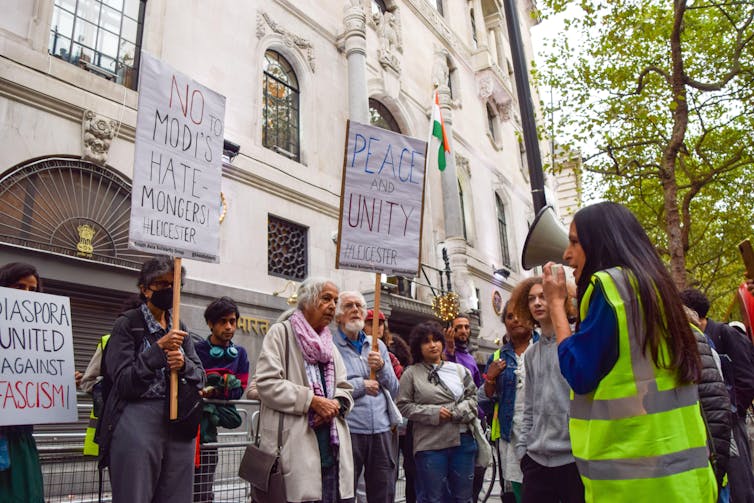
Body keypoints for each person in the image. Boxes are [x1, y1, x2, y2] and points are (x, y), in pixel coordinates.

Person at [543, 201, 717, 502]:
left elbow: (578, 372)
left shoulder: (608, 287)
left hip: (633, 483)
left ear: (601, 242)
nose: (566, 255)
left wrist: (557, 305)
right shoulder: (655, 288)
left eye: (574, 242)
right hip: (687, 481)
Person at [96, 256, 206, 502]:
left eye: (173, 285)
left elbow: (200, 376)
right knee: (135, 492)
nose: (168, 291)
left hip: (178, 420)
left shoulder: (181, 327)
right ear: (145, 289)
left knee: (177, 494)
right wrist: (157, 350)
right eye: (161, 284)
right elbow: (123, 381)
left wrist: (184, 364)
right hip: (136, 418)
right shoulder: (127, 325)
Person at [255, 277, 355, 503]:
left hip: (331, 454)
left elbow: (345, 388)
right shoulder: (281, 333)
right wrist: (313, 402)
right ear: (307, 301)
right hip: (295, 452)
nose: (332, 306)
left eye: (335, 300)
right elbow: (266, 383)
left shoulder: (329, 345)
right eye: (326, 298)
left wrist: (334, 405)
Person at [512, 277, 583, 503]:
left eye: (543, 296)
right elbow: (529, 406)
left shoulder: (577, 342)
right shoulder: (531, 354)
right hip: (536, 461)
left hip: (575, 460)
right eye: (532, 299)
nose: (537, 303)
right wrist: (523, 452)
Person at [680, 288, 754, 502]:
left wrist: (734, 411)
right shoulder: (704, 336)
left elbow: (747, 378)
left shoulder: (725, 333)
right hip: (719, 420)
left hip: (730, 419)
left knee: (740, 482)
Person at [397, 321, 478, 503]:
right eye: (426, 341)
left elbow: (473, 397)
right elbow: (403, 405)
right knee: (432, 498)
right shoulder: (411, 373)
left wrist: (457, 412)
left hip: (462, 441)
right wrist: (433, 413)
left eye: (436, 340)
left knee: (463, 498)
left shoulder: (458, 370)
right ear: (418, 346)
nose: (433, 345)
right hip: (429, 445)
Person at [333, 292, 399, 503]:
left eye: (359, 306)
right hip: (349, 430)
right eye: (349, 306)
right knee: (345, 493)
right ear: (338, 316)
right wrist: (361, 386)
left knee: (383, 491)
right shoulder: (330, 346)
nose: (355, 310)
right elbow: (329, 390)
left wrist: (380, 367)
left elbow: (394, 388)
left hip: (381, 429)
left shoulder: (377, 346)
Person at [480, 301, 538, 503]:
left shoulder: (547, 346)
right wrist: (491, 377)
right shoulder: (497, 357)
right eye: (510, 317)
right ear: (504, 322)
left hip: (544, 431)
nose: (516, 320)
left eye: (521, 314)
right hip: (511, 434)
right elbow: (485, 400)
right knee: (519, 488)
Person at [193, 297, 249, 502]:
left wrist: (216, 391)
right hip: (191, 427)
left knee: (204, 485)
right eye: (223, 321)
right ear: (210, 323)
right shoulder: (197, 350)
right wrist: (219, 387)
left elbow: (239, 391)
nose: (229, 327)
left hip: (211, 433)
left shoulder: (240, 355)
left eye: (232, 321)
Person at [0, 262, 45, 503]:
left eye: (32, 289)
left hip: (20, 436)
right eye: (19, 286)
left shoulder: (38, 334)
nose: (26, 295)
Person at [444, 315, 486, 501]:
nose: (463, 331)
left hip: (474, 420)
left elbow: (476, 391)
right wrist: (450, 351)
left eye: (466, 327)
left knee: (476, 474)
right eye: (458, 327)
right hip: (452, 423)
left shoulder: (470, 357)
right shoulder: (443, 353)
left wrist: (482, 417)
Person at [364, 309, 403, 379]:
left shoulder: (391, 358)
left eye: (379, 324)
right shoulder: (357, 352)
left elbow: (397, 382)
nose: (376, 327)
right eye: (371, 324)